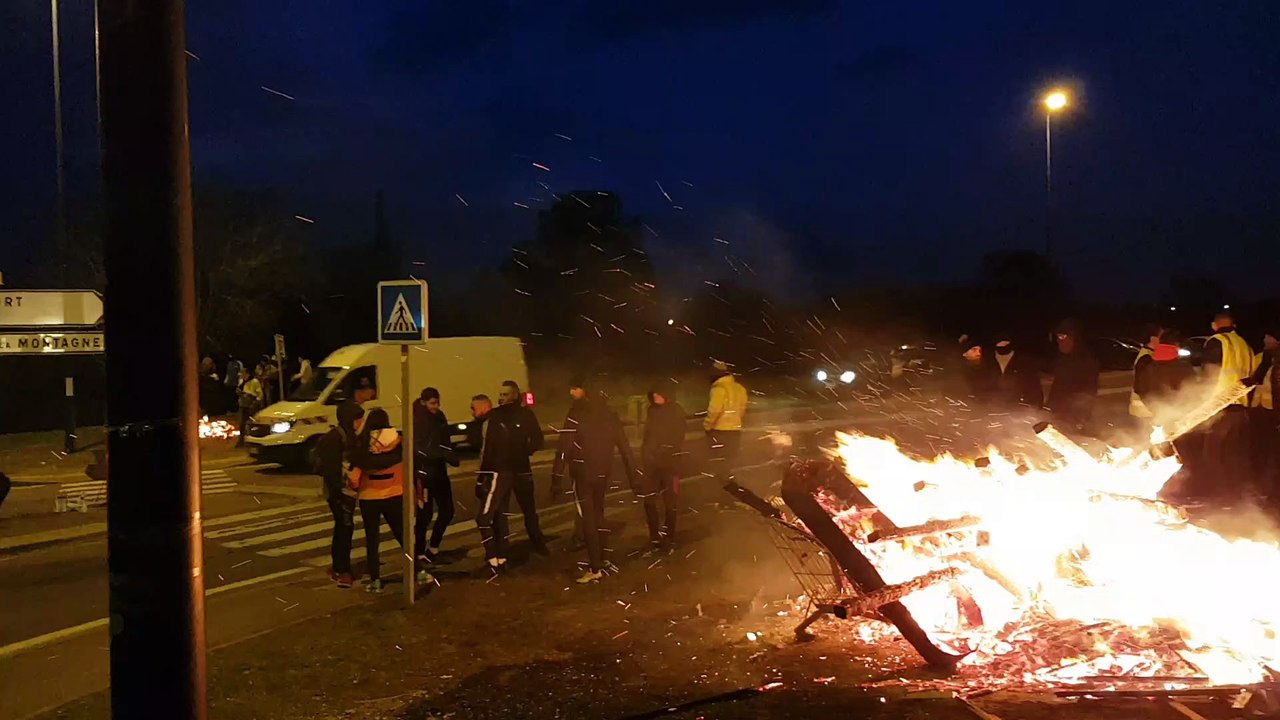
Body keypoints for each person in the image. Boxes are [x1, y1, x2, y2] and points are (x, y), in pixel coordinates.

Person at [551, 376, 639, 584]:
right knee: (599, 513)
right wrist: (634, 475)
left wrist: (556, 478)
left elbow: (563, 448)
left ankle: (595, 567)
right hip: (603, 472)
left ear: (586, 391)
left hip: (582, 473)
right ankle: (604, 559)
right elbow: (625, 448)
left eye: (576, 388)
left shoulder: (576, 413)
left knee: (588, 517)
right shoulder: (610, 414)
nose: (572, 393)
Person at [474, 380, 546, 572]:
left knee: (523, 509)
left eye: (505, 394)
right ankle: (505, 554)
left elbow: (537, 439)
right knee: (503, 513)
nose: (501, 397)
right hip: (513, 468)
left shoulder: (517, 415)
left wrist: (523, 452)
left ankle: (531, 544)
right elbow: (487, 445)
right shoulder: (501, 415)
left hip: (512, 469)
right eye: (500, 394)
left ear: (514, 395)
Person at [348, 408, 421, 591]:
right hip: (395, 493)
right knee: (402, 535)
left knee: (372, 539)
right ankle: (418, 572)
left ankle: (375, 581)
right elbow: (412, 465)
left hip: (369, 496)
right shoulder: (399, 441)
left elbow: (355, 477)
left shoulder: (362, 444)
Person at [1200, 311, 1255, 494]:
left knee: (1213, 454)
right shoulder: (1245, 345)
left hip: (1220, 406)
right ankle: (1236, 494)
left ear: (1214, 325)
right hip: (1241, 406)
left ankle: (1217, 494)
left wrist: (1200, 401)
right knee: (1233, 453)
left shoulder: (1217, 341)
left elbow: (1209, 374)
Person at [316, 401, 363, 588]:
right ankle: (341, 570)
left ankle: (340, 566)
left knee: (345, 528)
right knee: (344, 528)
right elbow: (331, 470)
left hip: (347, 491)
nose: (360, 423)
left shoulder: (350, 436)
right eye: (358, 419)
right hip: (338, 492)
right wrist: (338, 494)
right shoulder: (334, 438)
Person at [414, 387, 459, 566]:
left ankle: (433, 547)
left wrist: (450, 455)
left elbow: (445, 440)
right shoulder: (416, 419)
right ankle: (418, 552)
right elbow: (418, 448)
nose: (436, 406)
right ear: (424, 402)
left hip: (439, 471)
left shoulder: (439, 416)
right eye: (432, 403)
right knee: (424, 516)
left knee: (447, 510)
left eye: (437, 402)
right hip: (424, 474)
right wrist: (441, 454)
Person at [640, 379, 685, 555]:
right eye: (654, 394)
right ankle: (654, 537)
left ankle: (670, 537)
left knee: (670, 502)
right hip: (652, 464)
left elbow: (678, 437)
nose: (656, 397)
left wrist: (666, 451)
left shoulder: (676, 411)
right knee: (649, 500)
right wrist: (646, 453)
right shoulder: (651, 411)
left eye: (659, 394)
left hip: (671, 465)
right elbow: (647, 435)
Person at [704, 359, 748, 503]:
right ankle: (733, 497)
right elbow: (742, 410)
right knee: (730, 466)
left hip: (720, 432)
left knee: (719, 468)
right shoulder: (739, 388)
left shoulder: (718, 389)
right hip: (735, 432)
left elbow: (714, 411)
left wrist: (707, 426)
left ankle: (723, 499)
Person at [1046, 320, 1099, 434]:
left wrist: (1082, 416)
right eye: (1058, 337)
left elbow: (1090, 389)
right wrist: (1049, 406)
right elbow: (1057, 384)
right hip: (1058, 413)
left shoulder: (1087, 360)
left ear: (1073, 337)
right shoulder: (1061, 358)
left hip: (1076, 414)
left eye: (1063, 336)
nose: (1060, 340)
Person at [983, 334, 1043, 408]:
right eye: (999, 344)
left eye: (1005, 343)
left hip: (1018, 406)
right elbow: (984, 384)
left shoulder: (1023, 361)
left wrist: (1036, 406)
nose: (1002, 346)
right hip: (993, 405)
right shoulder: (989, 361)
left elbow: (1033, 385)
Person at [235, 367, 263, 448]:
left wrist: (255, 400)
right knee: (242, 423)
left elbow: (260, 394)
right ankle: (241, 440)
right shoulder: (241, 381)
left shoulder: (254, 381)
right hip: (243, 404)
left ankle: (253, 440)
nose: (240, 374)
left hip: (251, 404)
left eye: (242, 372)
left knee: (252, 422)